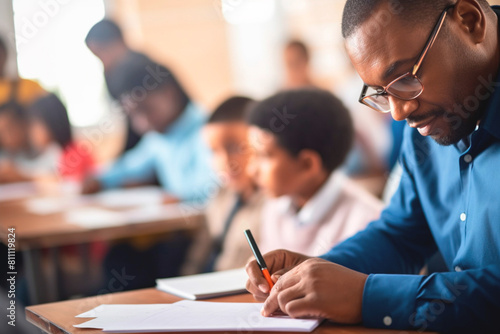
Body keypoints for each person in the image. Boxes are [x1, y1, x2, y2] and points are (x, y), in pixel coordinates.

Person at [245, 1, 500, 332]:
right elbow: (402, 234)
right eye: (381, 92)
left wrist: (367, 296)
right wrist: (320, 269)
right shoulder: (431, 114)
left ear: (469, 22)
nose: (398, 112)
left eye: (405, 79)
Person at [246, 89, 383, 256]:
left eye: (264, 156)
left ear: (307, 165)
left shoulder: (366, 222)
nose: (251, 170)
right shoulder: (275, 207)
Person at [81, 63, 216, 203]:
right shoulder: (158, 138)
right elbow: (130, 166)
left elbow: (215, 185)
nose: (142, 123)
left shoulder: (209, 130)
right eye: (133, 115)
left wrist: (183, 197)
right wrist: (99, 179)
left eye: (146, 109)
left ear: (169, 93)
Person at [183, 96, 265, 274]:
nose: (225, 161)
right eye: (214, 151)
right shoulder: (220, 195)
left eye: (235, 148)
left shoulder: (275, 204)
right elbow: (197, 257)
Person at [85, 19, 154, 152]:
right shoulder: (112, 75)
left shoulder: (141, 68)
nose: (104, 62)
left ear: (117, 42)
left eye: (102, 53)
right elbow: (131, 124)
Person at [28, 93, 95, 182]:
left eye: (34, 125)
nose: (31, 132)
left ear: (51, 122)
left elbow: (69, 187)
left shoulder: (75, 152)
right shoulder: (55, 153)